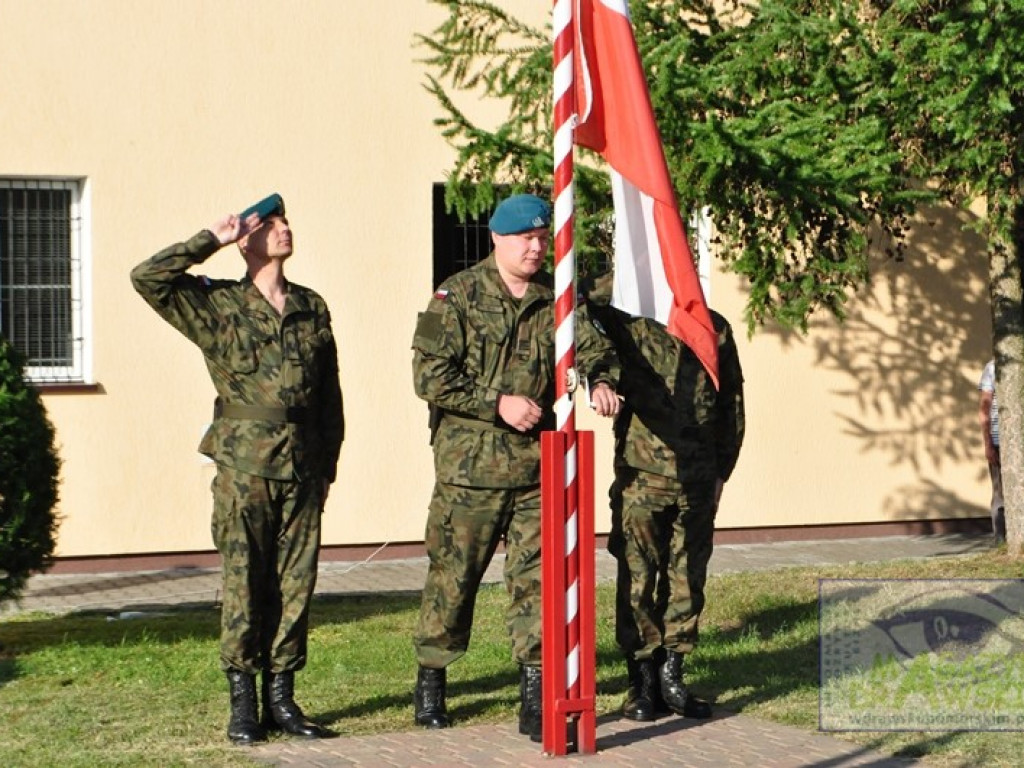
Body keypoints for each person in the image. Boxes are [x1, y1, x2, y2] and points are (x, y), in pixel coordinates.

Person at [130, 195, 344, 745]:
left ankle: (283, 697)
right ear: (245, 240)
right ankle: (243, 703)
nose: (283, 229)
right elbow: (147, 279)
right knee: (246, 583)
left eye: (286, 221)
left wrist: (328, 463)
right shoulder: (218, 304)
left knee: (296, 584)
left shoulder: (311, 306)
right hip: (244, 465)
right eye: (269, 224)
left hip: (302, 466)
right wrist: (209, 238)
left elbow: (328, 397)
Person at [409, 193, 621, 742]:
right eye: (524, 238)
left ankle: (536, 695)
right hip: (470, 471)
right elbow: (429, 375)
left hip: (535, 472)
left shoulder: (557, 301)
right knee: (453, 581)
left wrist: (600, 381)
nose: (534, 247)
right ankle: (432, 680)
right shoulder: (455, 297)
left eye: (540, 238)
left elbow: (594, 350)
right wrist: (495, 402)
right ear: (497, 240)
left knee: (539, 585)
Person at [585, 274, 744, 722]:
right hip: (642, 477)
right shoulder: (629, 322)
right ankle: (641, 680)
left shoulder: (715, 329)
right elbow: (581, 306)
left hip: (697, 476)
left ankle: (674, 672)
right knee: (637, 579)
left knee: (687, 579)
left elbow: (731, 403)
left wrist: (722, 472)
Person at [979, 359, 1005, 543]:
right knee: (999, 493)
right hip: (999, 441)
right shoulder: (993, 367)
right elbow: (984, 410)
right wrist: (988, 444)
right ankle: (1001, 541)